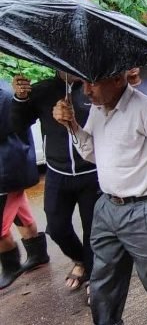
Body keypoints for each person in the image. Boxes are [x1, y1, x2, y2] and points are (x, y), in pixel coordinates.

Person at [53, 71, 147, 325]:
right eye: (84, 82)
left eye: (93, 83)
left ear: (117, 79)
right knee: (102, 275)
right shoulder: (98, 111)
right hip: (107, 206)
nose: (87, 90)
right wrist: (72, 125)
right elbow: (92, 153)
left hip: (143, 207)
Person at [11, 72, 97, 293]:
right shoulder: (42, 90)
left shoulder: (93, 87)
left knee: (93, 230)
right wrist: (20, 98)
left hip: (92, 171)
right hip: (58, 173)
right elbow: (18, 124)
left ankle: (94, 277)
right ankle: (80, 259)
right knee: (57, 228)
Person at [0, 80, 46, 290]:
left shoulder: (3, 93)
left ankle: (11, 267)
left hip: (8, 168)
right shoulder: (5, 89)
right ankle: (38, 255)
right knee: (21, 214)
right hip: (11, 165)